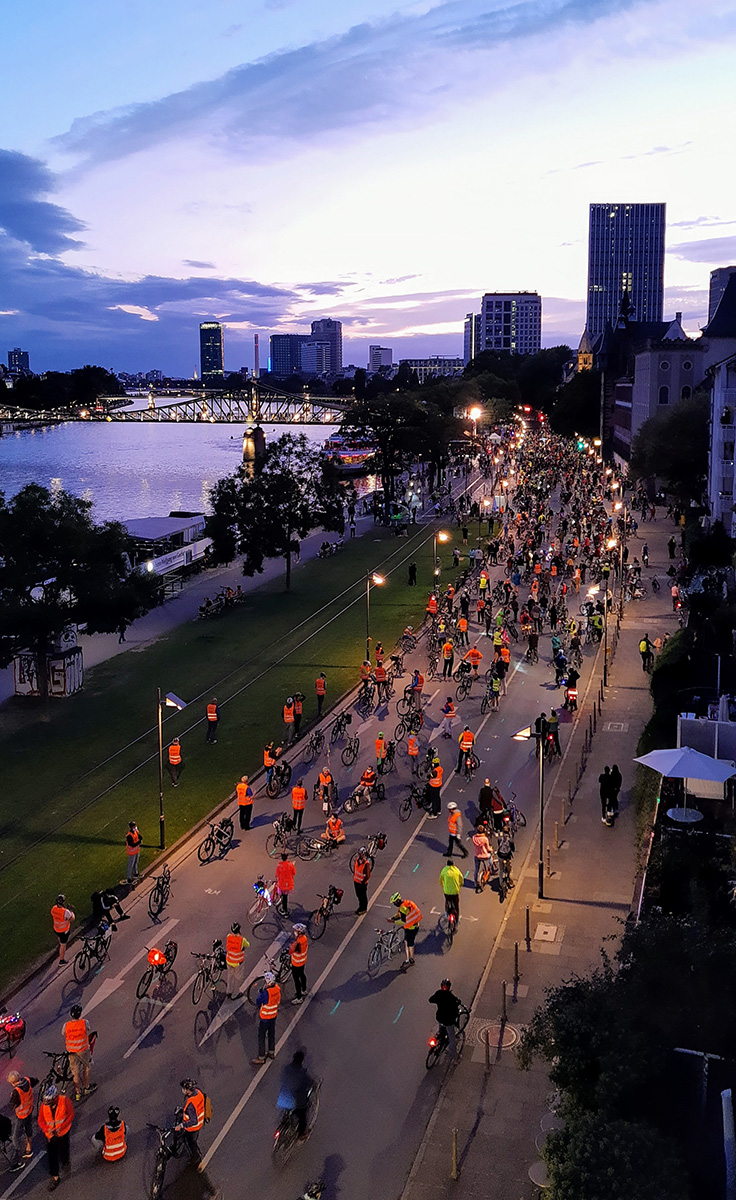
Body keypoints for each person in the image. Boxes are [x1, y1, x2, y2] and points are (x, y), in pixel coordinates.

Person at [38, 1085, 74, 1191]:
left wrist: (61, 1127)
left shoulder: (64, 1101)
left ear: (55, 1098)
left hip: (63, 1133)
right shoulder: (44, 1106)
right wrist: (46, 1129)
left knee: (64, 1151)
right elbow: (41, 1120)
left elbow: (71, 1115)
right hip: (51, 1136)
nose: (47, 1104)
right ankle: (55, 1177)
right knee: (52, 1157)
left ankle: (65, 1160)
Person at [277, 1051, 314, 1138]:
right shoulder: (302, 1073)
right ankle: (301, 1134)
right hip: (294, 1102)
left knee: (287, 1111)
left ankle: (284, 1122)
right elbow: (308, 1083)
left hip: (282, 1099)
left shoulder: (286, 1068)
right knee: (302, 1115)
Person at [63, 1004, 95, 1101]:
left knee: (75, 1073)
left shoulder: (66, 1025)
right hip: (83, 1051)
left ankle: (77, 1092)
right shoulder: (84, 1023)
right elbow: (88, 1030)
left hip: (71, 1052)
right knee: (86, 1068)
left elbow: (63, 1033)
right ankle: (86, 1087)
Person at [7, 1070, 37, 1168]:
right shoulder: (27, 1080)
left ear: (13, 1082)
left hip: (21, 1115)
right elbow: (36, 1081)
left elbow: (11, 1105)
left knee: (15, 1137)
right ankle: (29, 1147)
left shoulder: (16, 1092)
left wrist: (12, 1097)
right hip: (29, 1109)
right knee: (28, 1127)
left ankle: (17, 1160)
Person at [428, 980, 462, 1059]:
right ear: (449, 987)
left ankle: (440, 1039)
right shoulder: (451, 997)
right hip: (448, 1021)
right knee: (452, 1037)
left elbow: (430, 1000)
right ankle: (454, 1055)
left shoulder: (439, 993)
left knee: (441, 1029)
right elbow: (456, 1006)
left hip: (440, 1018)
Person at [176, 1079, 206, 1167]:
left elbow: (193, 1121)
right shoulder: (198, 1093)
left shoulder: (191, 1104)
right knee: (193, 1140)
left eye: (184, 1088)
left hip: (193, 1127)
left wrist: (182, 1125)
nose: (183, 1090)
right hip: (200, 1122)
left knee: (191, 1142)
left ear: (188, 1090)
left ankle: (196, 1158)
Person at [253, 971, 281, 1063]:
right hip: (273, 1016)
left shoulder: (266, 994)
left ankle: (261, 1057)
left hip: (265, 1018)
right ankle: (271, 1052)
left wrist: (261, 992)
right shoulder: (277, 989)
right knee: (271, 1034)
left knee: (261, 1037)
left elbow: (258, 1001)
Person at [389, 892, 422, 966]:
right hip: (416, 925)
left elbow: (403, 921)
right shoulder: (407, 903)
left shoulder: (402, 908)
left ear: (397, 901)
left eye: (394, 903)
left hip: (411, 928)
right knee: (408, 941)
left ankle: (410, 959)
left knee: (409, 943)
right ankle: (409, 959)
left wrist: (394, 921)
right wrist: (393, 918)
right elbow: (401, 915)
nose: (394, 904)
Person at [225, 922, 250, 998]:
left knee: (230, 976)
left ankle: (229, 991)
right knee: (237, 978)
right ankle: (235, 994)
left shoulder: (228, 936)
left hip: (229, 960)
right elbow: (247, 945)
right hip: (237, 963)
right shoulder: (242, 940)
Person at [50, 895, 74, 964]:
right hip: (64, 931)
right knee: (63, 945)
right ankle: (61, 960)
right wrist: (71, 912)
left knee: (59, 937)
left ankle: (59, 944)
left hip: (56, 929)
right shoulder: (66, 912)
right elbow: (72, 918)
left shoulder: (53, 908)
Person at [289, 924, 308, 1004]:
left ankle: (299, 997)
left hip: (296, 963)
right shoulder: (304, 939)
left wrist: (290, 946)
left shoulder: (298, 942)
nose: (295, 932)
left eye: (296, 931)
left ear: (299, 932)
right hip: (303, 961)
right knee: (302, 975)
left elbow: (291, 951)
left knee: (296, 980)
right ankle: (304, 990)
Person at [471, 825, 494, 891]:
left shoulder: (474, 838)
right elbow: (488, 848)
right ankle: (492, 869)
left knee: (476, 870)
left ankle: (475, 883)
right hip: (485, 856)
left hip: (477, 856)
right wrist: (491, 849)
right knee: (490, 860)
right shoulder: (485, 839)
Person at [353, 848, 372, 914]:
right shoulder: (357, 860)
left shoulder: (366, 864)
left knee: (363, 896)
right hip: (356, 881)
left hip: (362, 883)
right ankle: (360, 907)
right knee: (358, 895)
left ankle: (363, 908)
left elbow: (368, 875)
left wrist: (363, 882)